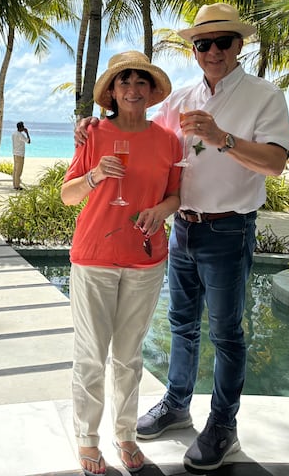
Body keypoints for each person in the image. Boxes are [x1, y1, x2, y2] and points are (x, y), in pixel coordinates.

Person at [75, 3, 289, 471]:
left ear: (239, 45)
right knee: (181, 325)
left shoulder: (264, 96)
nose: (212, 51)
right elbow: (143, 133)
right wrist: (92, 125)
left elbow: (274, 163)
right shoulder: (181, 97)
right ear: (194, 50)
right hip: (181, 229)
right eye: (202, 43)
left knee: (227, 332)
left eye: (222, 42)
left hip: (229, 228)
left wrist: (223, 138)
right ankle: (176, 404)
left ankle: (223, 425)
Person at [62, 51, 182, 476]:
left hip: (145, 258)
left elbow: (175, 195)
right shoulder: (93, 133)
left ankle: (125, 433)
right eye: (124, 82)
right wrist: (94, 175)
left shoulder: (168, 139)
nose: (132, 89)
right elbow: (68, 195)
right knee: (91, 354)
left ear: (151, 93)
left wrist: (162, 211)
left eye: (140, 82)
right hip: (95, 255)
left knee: (129, 355)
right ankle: (88, 438)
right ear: (111, 92)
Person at [11, 121, 31, 190]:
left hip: (15, 153)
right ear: (21, 127)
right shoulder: (20, 135)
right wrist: (27, 133)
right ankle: (17, 186)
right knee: (19, 171)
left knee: (15, 170)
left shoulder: (14, 133)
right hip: (20, 154)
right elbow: (28, 141)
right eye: (23, 126)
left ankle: (14, 184)